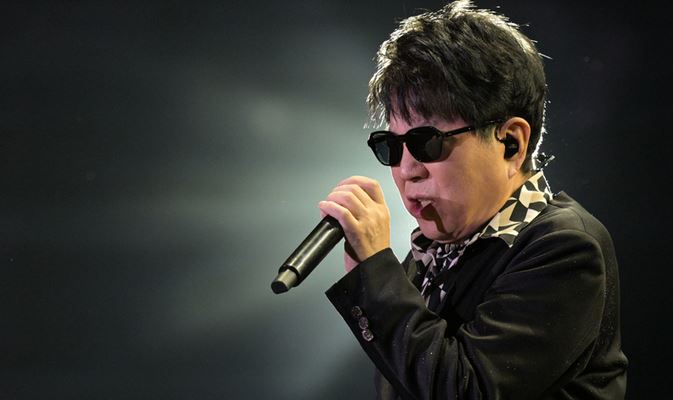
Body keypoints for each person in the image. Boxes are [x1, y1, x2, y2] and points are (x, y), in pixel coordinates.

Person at [317, 1, 628, 399]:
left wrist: (377, 275)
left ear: (511, 142)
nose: (407, 169)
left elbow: (467, 390)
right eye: (391, 147)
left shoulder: (564, 247)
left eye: (427, 142)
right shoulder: (430, 255)